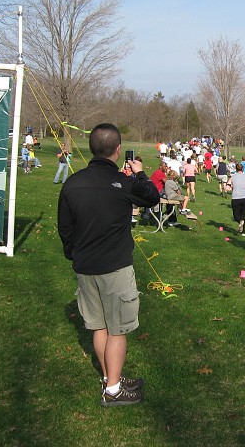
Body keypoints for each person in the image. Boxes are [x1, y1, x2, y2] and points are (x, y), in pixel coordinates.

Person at [57, 123, 160, 407]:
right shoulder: (123, 182)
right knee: (117, 329)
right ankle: (112, 389)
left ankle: (110, 377)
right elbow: (152, 196)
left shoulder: (72, 183)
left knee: (99, 327)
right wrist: (139, 172)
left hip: (85, 265)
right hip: (114, 267)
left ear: (92, 149)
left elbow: (65, 229)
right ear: (117, 150)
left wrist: (73, 255)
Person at [227, 162, 245, 235]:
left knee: (236, 216)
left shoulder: (232, 177)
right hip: (244, 198)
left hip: (236, 198)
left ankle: (240, 222)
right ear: (242, 169)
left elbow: (227, 188)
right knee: (243, 214)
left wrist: (232, 187)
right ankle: (243, 232)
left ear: (236, 169)